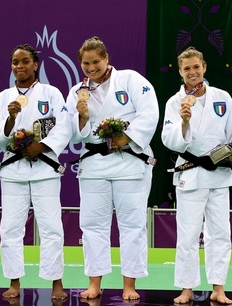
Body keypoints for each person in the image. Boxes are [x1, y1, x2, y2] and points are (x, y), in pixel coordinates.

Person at [66, 36, 159, 300]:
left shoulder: (131, 80)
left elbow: (149, 113)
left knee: (132, 225)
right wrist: (82, 117)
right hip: (95, 165)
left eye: (96, 61)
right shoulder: (77, 91)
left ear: (107, 58)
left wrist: (128, 136)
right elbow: (73, 134)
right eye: (86, 63)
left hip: (129, 162)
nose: (91, 67)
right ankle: (94, 283)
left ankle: (129, 285)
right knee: (92, 225)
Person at [161, 46, 232, 304]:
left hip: (219, 175)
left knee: (220, 233)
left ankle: (218, 287)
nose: (192, 72)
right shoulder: (175, 103)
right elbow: (168, 140)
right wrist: (184, 123)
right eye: (187, 68)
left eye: (196, 67)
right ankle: (187, 287)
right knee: (188, 234)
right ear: (180, 72)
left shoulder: (223, 97)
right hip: (191, 174)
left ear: (204, 67)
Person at [0, 44, 71, 300]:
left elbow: (64, 127)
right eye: (15, 62)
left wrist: (42, 146)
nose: (20, 66)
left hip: (45, 169)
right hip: (13, 171)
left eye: (25, 61)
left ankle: (56, 282)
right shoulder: (3, 98)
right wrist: (11, 119)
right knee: (11, 228)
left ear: (35, 64)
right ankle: (14, 281)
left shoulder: (52, 93)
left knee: (51, 227)